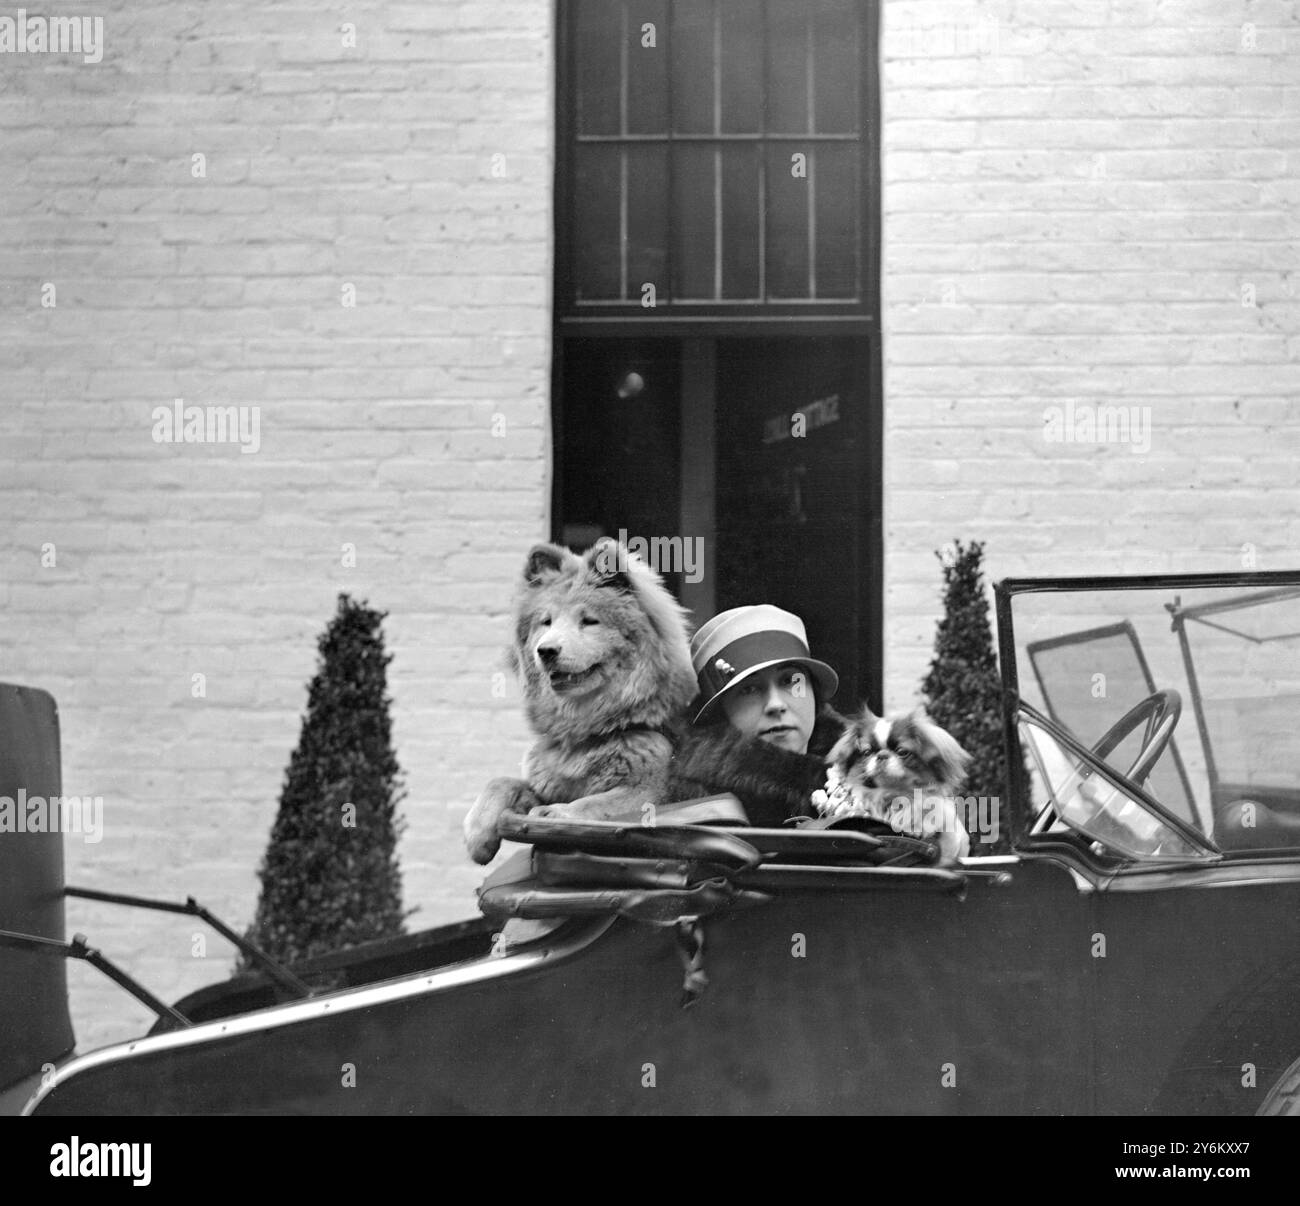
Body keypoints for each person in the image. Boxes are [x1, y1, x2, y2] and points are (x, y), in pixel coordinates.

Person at [666, 604, 849, 826]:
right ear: (720, 714)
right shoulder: (700, 805)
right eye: (749, 689)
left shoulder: (866, 775)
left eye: (790, 681)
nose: (776, 705)